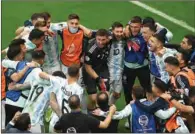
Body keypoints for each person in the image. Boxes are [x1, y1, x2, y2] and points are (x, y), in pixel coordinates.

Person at [93, 86, 177, 133]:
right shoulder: (152, 105)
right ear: (144, 94)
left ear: (133, 95)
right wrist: (176, 107)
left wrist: (102, 113)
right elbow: (164, 115)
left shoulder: (131, 106)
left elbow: (119, 116)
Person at [39, 65, 84, 132]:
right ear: (78, 74)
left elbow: (41, 74)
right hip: (68, 124)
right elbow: (77, 108)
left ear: (67, 73)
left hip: (55, 122)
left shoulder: (59, 80)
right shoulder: (79, 90)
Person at [122, 16, 151, 106]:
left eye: (136, 27)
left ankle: (146, 109)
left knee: (147, 89)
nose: (134, 29)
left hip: (142, 67)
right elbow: (112, 30)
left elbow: (162, 30)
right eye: (132, 27)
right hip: (128, 67)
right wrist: (127, 27)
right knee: (127, 91)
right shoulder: (125, 33)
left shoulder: (145, 35)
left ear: (141, 26)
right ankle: (130, 112)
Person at [83, 29, 111, 110]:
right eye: (98, 39)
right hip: (90, 71)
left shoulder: (110, 38)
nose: (100, 42)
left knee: (105, 96)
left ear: (107, 38)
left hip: (102, 69)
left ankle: (103, 114)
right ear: (95, 38)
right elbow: (88, 68)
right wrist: (98, 79)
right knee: (93, 99)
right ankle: (90, 113)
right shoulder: (90, 50)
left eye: (103, 40)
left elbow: (118, 31)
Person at [108, 22, 126, 104]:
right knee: (105, 94)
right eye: (117, 32)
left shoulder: (125, 38)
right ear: (112, 31)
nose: (119, 34)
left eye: (120, 31)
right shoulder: (108, 39)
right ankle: (103, 110)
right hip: (108, 71)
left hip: (119, 71)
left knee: (117, 94)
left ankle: (109, 106)